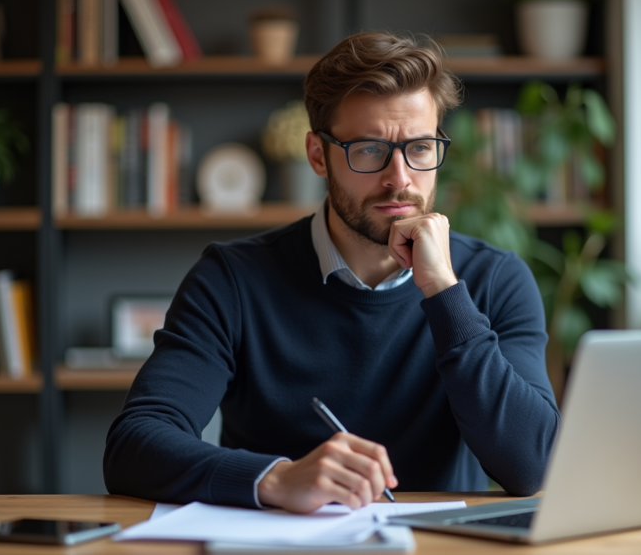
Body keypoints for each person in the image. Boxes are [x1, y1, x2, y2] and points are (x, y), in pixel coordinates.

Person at [103, 31, 560, 514]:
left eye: (421, 148)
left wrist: (444, 292)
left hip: (437, 544)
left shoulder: (495, 280)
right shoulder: (232, 279)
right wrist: (275, 478)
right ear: (318, 155)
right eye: (369, 149)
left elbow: (530, 465)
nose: (400, 178)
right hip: (282, 542)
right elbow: (135, 444)